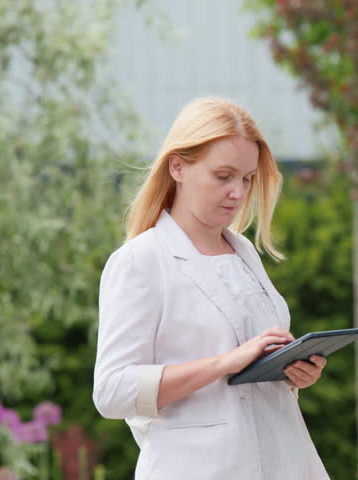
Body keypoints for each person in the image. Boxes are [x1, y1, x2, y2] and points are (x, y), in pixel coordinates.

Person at [92, 97, 329, 479]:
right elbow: (111, 392)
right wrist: (225, 362)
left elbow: (250, 380)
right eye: (223, 176)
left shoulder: (244, 253)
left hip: (284, 461)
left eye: (247, 179)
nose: (238, 192)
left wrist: (292, 372)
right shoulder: (141, 261)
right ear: (178, 167)